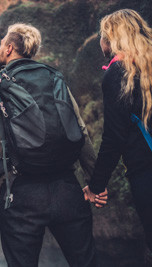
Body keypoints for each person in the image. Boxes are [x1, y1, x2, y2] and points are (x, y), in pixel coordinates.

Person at [0, 23, 106, 267]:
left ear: (9, 48)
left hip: (20, 192)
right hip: (67, 188)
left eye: (2, 43)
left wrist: (13, 151)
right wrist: (95, 182)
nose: (0, 47)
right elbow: (79, 130)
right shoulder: (55, 77)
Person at [83, 9, 152, 253]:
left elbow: (114, 137)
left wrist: (96, 185)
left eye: (103, 36)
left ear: (111, 39)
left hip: (146, 170)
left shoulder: (118, 72)